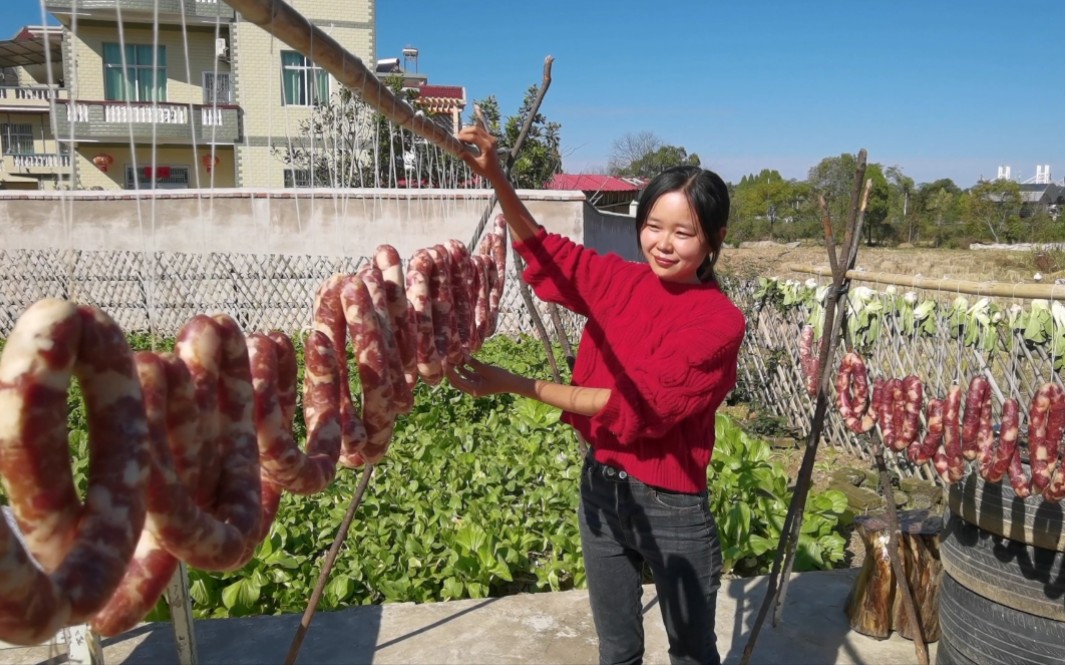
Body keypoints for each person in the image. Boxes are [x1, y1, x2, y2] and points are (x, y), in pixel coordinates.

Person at [450, 123, 746, 665]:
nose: (662, 242)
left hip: (672, 507)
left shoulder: (720, 322)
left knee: (692, 653)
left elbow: (636, 407)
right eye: (653, 225)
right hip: (602, 490)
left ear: (715, 237)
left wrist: (515, 383)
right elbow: (548, 252)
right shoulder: (624, 282)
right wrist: (497, 178)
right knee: (616, 650)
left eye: (683, 232)